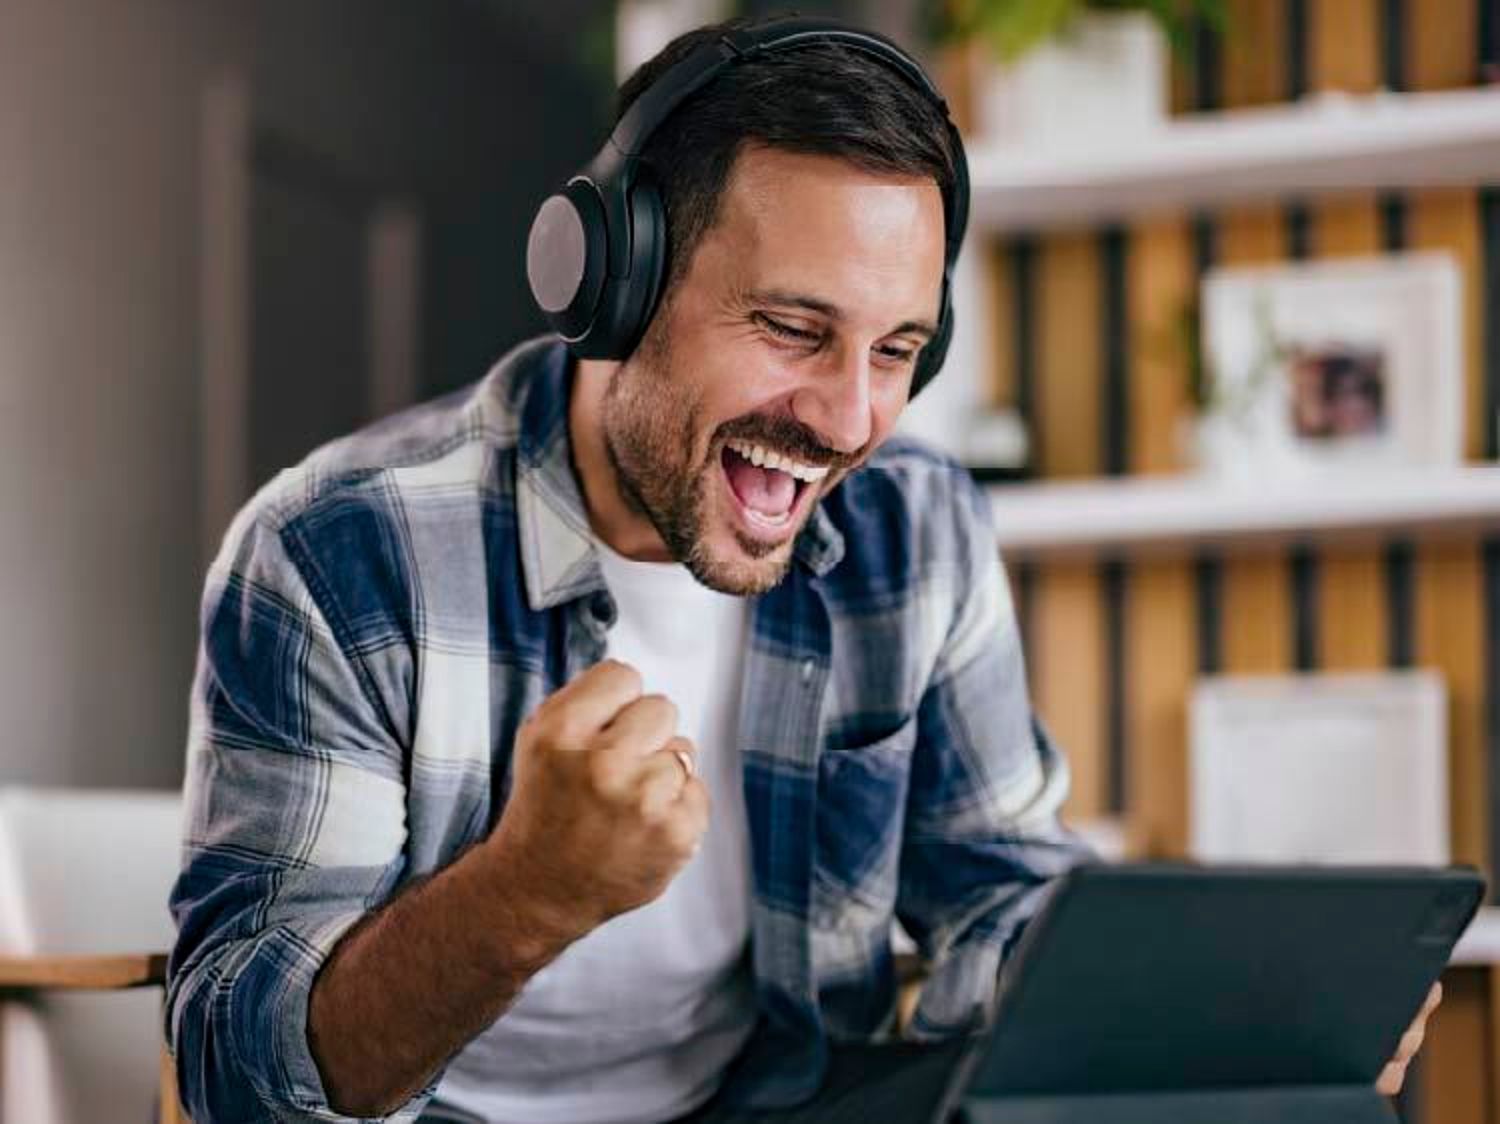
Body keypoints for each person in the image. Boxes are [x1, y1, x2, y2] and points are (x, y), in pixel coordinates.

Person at [164, 15, 1435, 1123]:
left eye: (897, 348)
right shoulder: (338, 549)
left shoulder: (915, 526)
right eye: (791, 327)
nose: (847, 416)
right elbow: (235, 1071)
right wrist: (523, 891)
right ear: (615, 281)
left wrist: (1209, 1007)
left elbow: (994, 889)